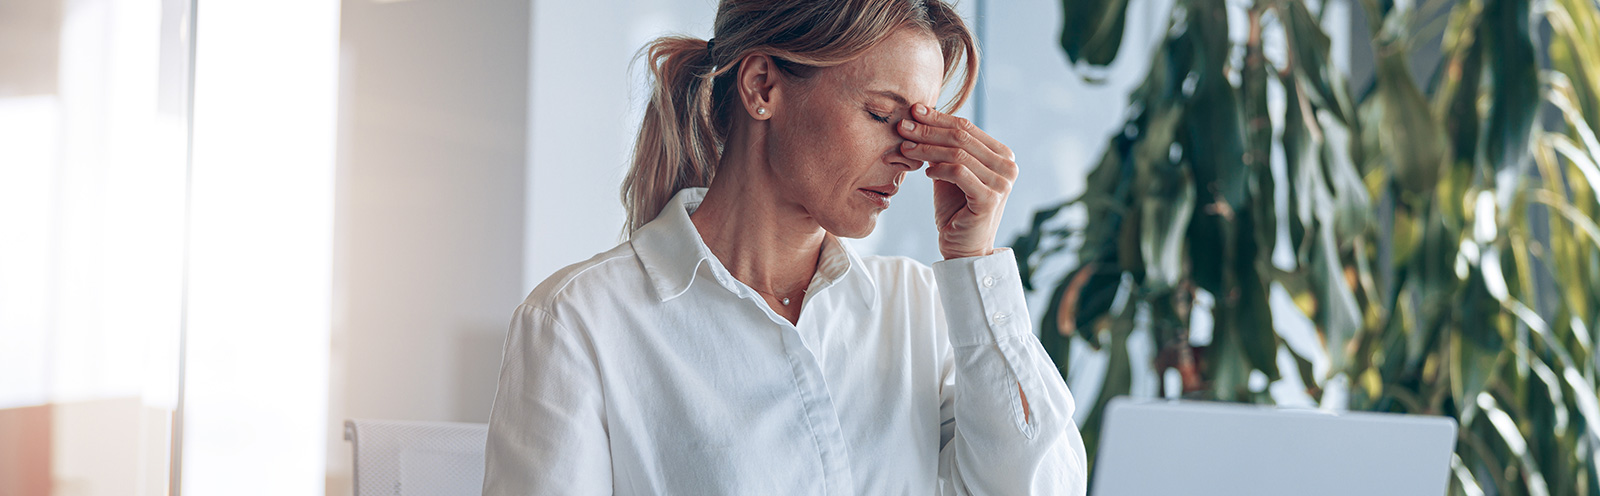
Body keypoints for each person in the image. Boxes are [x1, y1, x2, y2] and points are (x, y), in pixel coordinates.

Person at [483, 0, 1087, 494]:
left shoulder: (921, 309)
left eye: (922, 126)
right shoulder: (579, 324)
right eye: (883, 115)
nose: (910, 154)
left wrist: (973, 262)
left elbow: (1039, 487)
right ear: (762, 86)